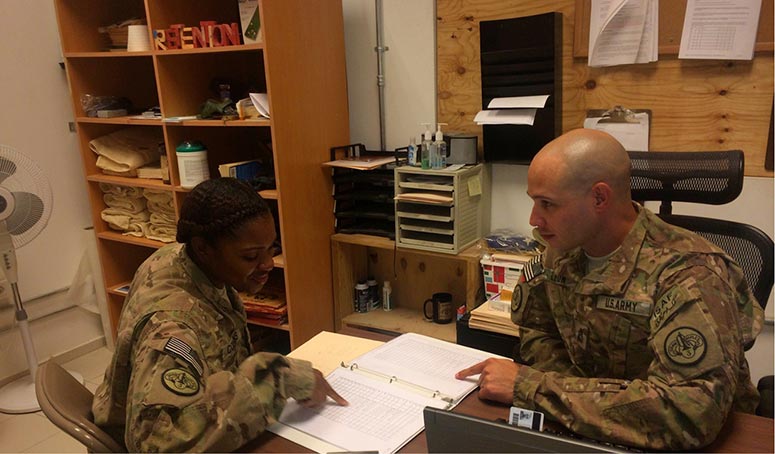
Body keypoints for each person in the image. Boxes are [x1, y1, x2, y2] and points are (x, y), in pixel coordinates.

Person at [457, 129, 763, 451]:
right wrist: (579, 398)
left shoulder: (691, 275)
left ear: (599, 198)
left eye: (548, 204)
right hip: (592, 433)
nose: (535, 219)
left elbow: (689, 413)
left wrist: (535, 389)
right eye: (535, 202)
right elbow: (536, 328)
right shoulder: (560, 250)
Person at [92, 178, 347, 452]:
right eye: (250, 257)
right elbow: (159, 444)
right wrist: (273, 377)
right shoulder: (172, 326)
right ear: (203, 248)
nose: (267, 264)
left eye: (271, 249)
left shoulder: (181, 259)